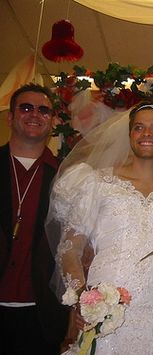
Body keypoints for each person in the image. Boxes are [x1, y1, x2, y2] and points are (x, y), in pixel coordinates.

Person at [46, 99, 153, 354]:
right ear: (130, 135)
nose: (147, 134)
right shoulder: (97, 182)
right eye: (139, 128)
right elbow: (70, 250)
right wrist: (83, 298)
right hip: (104, 313)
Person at [0, 83, 69, 354]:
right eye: (26, 107)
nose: (34, 115)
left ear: (52, 120)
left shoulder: (67, 176)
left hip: (42, 314)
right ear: (10, 117)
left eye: (44, 110)